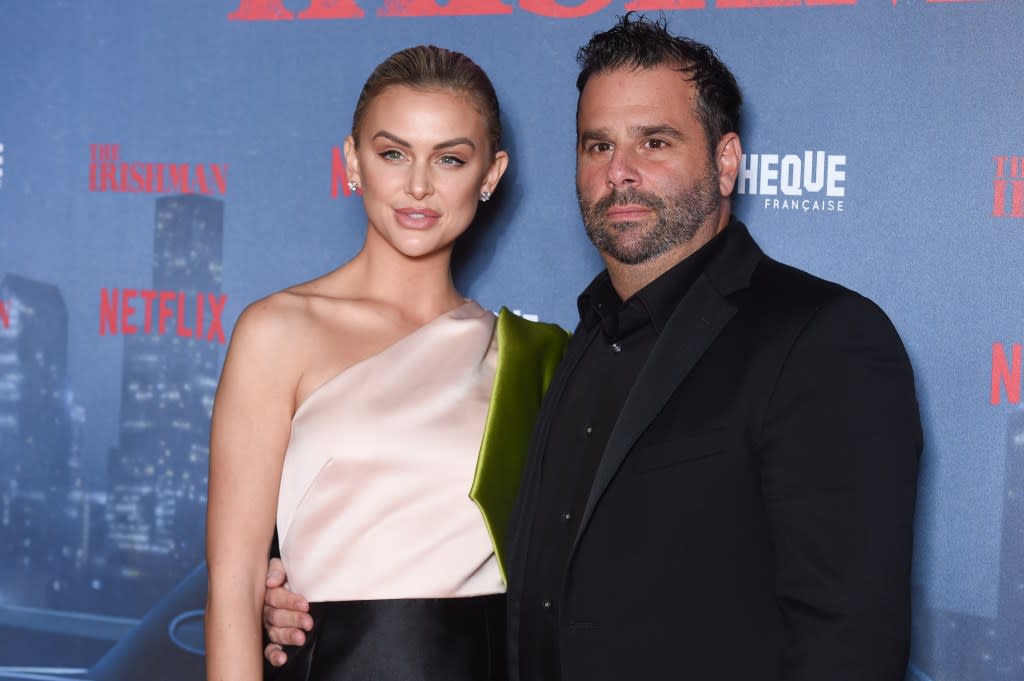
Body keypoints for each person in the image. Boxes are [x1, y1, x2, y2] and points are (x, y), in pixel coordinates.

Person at [263, 15, 923, 681]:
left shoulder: (821, 338)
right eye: (597, 145)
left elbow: (848, 645)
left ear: (726, 162)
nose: (621, 173)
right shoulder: (572, 345)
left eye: (654, 142)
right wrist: (309, 598)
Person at [205, 45, 568, 681]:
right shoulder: (279, 330)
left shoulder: (534, 358)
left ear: (491, 173)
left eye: (450, 158)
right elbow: (234, 587)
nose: (419, 185)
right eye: (392, 153)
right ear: (352, 160)